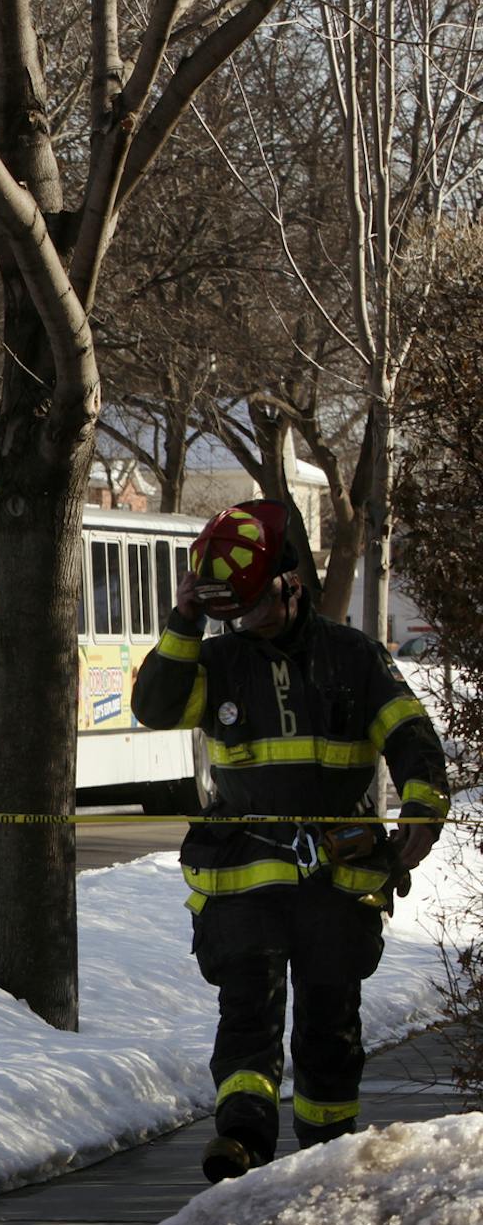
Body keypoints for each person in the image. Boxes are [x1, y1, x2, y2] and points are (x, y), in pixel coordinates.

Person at [131, 500, 448, 1184]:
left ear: (291, 583)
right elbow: (154, 707)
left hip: (338, 878)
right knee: (247, 1012)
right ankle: (241, 1144)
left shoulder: (353, 657)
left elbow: (412, 739)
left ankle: (327, 1159)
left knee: (330, 1022)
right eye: (233, 613)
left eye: (255, 606)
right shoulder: (214, 661)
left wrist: (422, 814)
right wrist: (184, 621)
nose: (246, 622)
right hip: (242, 875)